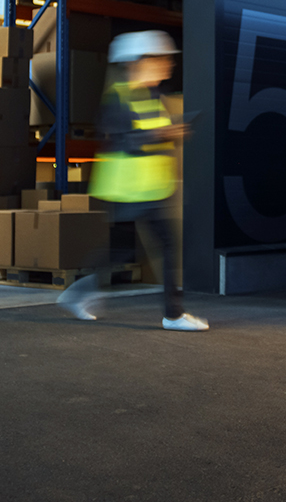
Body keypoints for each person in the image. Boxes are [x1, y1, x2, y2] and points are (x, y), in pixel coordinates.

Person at [57, 30, 208, 332]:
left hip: (149, 187)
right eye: (160, 59)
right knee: (164, 244)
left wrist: (173, 134)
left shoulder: (153, 96)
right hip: (129, 189)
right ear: (138, 62)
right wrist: (165, 134)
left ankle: (80, 292)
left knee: (123, 250)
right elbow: (126, 140)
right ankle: (173, 314)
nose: (167, 65)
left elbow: (151, 138)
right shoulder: (118, 98)